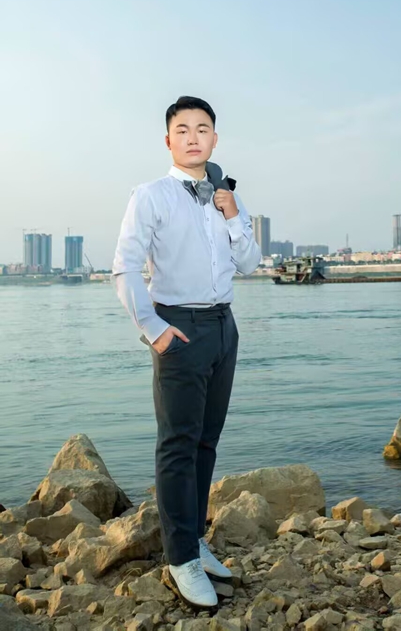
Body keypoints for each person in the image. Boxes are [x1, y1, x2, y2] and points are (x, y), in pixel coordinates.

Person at [112, 95, 261, 609]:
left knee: (205, 442)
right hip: (178, 326)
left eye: (202, 129)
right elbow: (125, 266)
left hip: (224, 326)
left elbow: (250, 263)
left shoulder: (225, 198)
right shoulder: (150, 196)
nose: (193, 137)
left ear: (215, 139)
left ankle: (194, 540)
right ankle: (180, 559)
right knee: (177, 444)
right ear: (168, 140)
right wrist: (152, 328)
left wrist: (233, 214)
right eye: (182, 129)